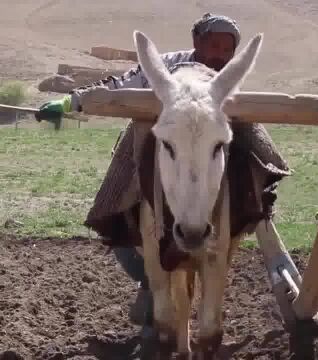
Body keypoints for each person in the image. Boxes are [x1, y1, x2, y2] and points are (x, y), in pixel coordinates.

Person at [35, 13, 244, 332]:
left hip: (215, 138)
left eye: (226, 49)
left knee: (257, 153)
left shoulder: (230, 79)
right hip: (158, 137)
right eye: (212, 45)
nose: (219, 55)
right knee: (124, 176)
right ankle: (142, 268)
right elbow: (118, 86)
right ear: (196, 42)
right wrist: (69, 102)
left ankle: (256, 214)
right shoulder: (166, 66)